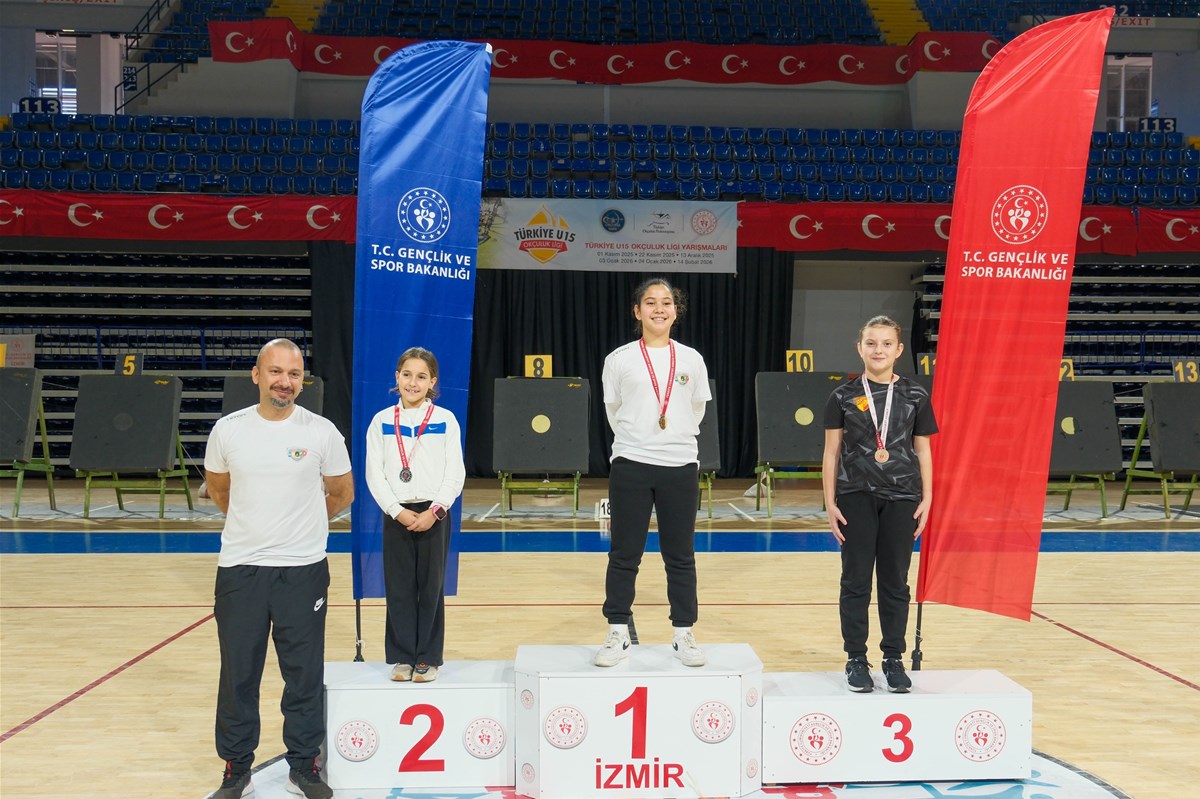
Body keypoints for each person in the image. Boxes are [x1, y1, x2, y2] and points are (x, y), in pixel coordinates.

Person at [204, 339, 353, 799]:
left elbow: (342, 493)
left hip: (303, 570)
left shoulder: (322, 432)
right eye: (275, 372)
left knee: (303, 674)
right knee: (238, 675)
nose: (284, 382)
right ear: (256, 375)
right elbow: (220, 491)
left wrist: (301, 527)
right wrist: (257, 527)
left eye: (293, 374)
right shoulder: (228, 430)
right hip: (241, 570)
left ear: (301, 380)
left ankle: (304, 766)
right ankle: (236, 768)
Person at [595, 278, 712, 668]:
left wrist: (670, 438)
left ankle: (683, 633)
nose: (658, 309)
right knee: (624, 553)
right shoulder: (619, 359)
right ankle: (617, 631)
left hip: (680, 465)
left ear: (676, 311)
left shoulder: (691, 359)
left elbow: (696, 410)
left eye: (666, 302)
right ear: (637, 311)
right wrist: (641, 440)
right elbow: (614, 412)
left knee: (680, 555)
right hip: (631, 464)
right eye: (650, 302)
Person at [822, 316, 936, 694]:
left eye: (887, 344)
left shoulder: (916, 395)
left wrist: (928, 497)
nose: (878, 350)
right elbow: (831, 452)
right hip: (855, 496)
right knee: (855, 580)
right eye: (871, 343)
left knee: (895, 582)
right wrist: (829, 502)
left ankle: (893, 658)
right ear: (860, 348)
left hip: (903, 498)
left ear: (899, 350)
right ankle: (856, 658)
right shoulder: (842, 396)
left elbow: (923, 449)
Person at [365, 347, 465, 684]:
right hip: (397, 514)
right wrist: (397, 511)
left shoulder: (445, 419)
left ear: (432, 382)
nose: (413, 382)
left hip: (434, 514)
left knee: (431, 587)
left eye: (421, 376)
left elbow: (455, 472)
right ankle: (403, 656)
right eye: (407, 375)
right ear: (397, 377)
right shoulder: (381, 421)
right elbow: (374, 473)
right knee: (399, 587)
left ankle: (428, 657)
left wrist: (436, 510)